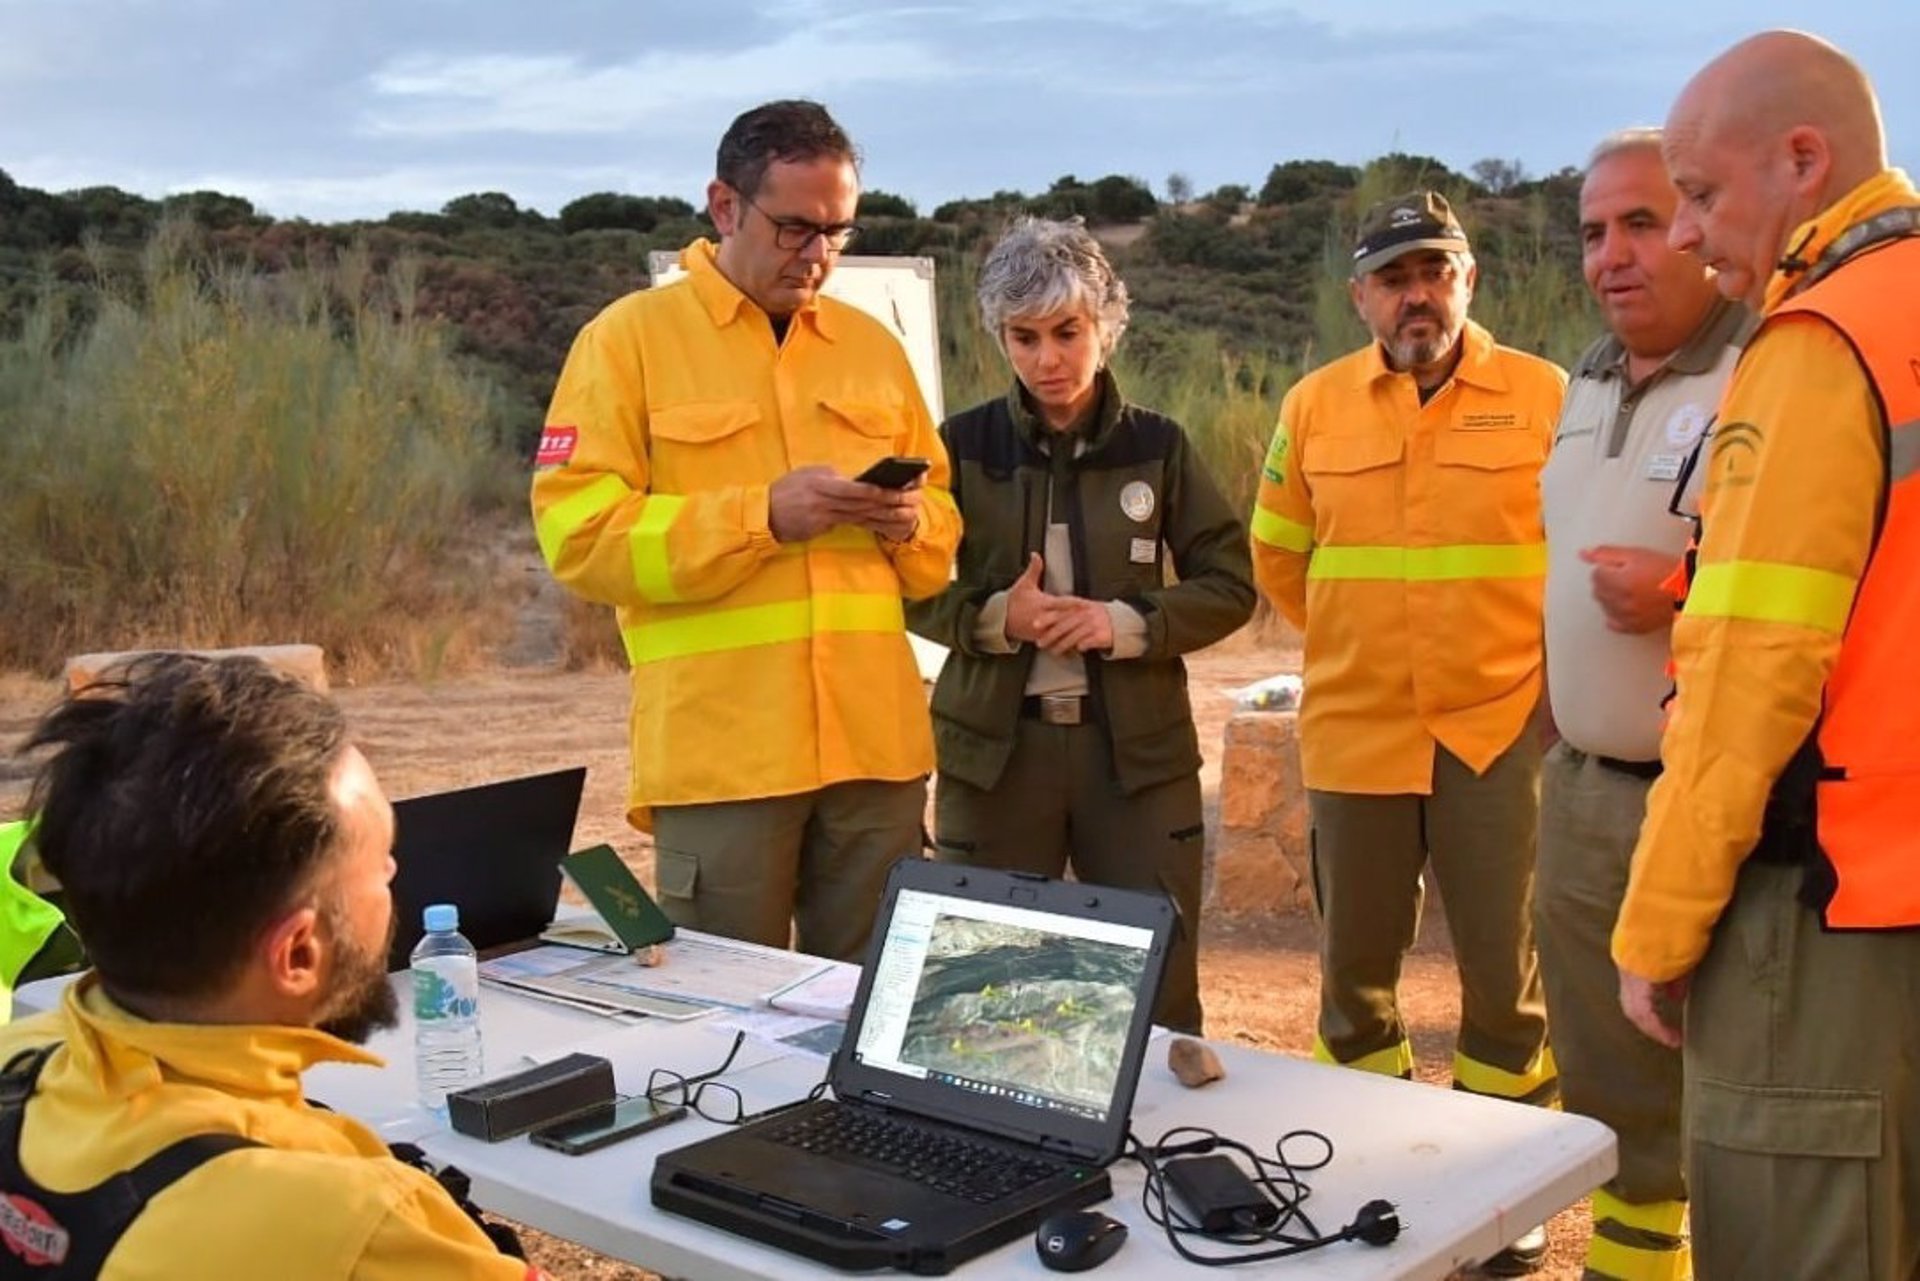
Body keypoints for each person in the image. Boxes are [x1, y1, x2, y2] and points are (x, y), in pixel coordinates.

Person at [1613, 30, 1920, 1280]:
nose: (1684, 234)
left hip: (1828, 923)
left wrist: (1658, 929)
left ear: (1806, 159)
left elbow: (1750, 679)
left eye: (1699, 193)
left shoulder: (1818, 344)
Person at [530, 100, 960, 963]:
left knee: (872, 1008)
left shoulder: (872, 348)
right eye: (796, 227)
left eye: (838, 231)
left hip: (876, 754)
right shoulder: (627, 343)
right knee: (721, 1018)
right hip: (722, 760)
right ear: (724, 206)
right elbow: (578, 535)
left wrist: (908, 522)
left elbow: (943, 536)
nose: (819, 255)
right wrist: (760, 517)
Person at [1250, 190, 1566, 1274]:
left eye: (1434, 270)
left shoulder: (1543, 397)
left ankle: (1503, 1185)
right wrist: (1365, 642)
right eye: (1393, 277)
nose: (1415, 293)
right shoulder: (1314, 405)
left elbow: (1572, 558)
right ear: (1361, 297)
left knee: (1504, 977)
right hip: (1359, 730)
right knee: (1356, 979)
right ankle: (1371, 1167)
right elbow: (1279, 558)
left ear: (1468, 279)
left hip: (1494, 728)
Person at [0, 654, 542, 1278]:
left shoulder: (24, 1060)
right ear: (298, 954)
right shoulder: (359, 1220)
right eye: (381, 860)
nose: (394, 873)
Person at [905, 218, 1254, 1034]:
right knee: (977, 981)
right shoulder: (959, 444)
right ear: (1000, 337)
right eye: (1023, 337)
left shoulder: (1158, 446)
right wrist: (999, 616)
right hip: (995, 757)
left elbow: (1230, 583)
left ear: (1106, 326)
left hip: (1133, 757)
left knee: (1153, 983)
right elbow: (914, 587)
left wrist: (1122, 623)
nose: (1047, 359)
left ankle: (1158, 1144)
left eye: (1067, 332)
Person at [1537, 127, 1754, 1281]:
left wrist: (1681, 591)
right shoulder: (1583, 379)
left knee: (1735, 1102)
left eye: (1641, 221)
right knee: (1611, 1098)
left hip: (1708, 801)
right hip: (1580, 792)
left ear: (1700, 225)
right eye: (1590, 231)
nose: (1612, 255)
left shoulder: (1769, 366)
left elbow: (1835, 584)